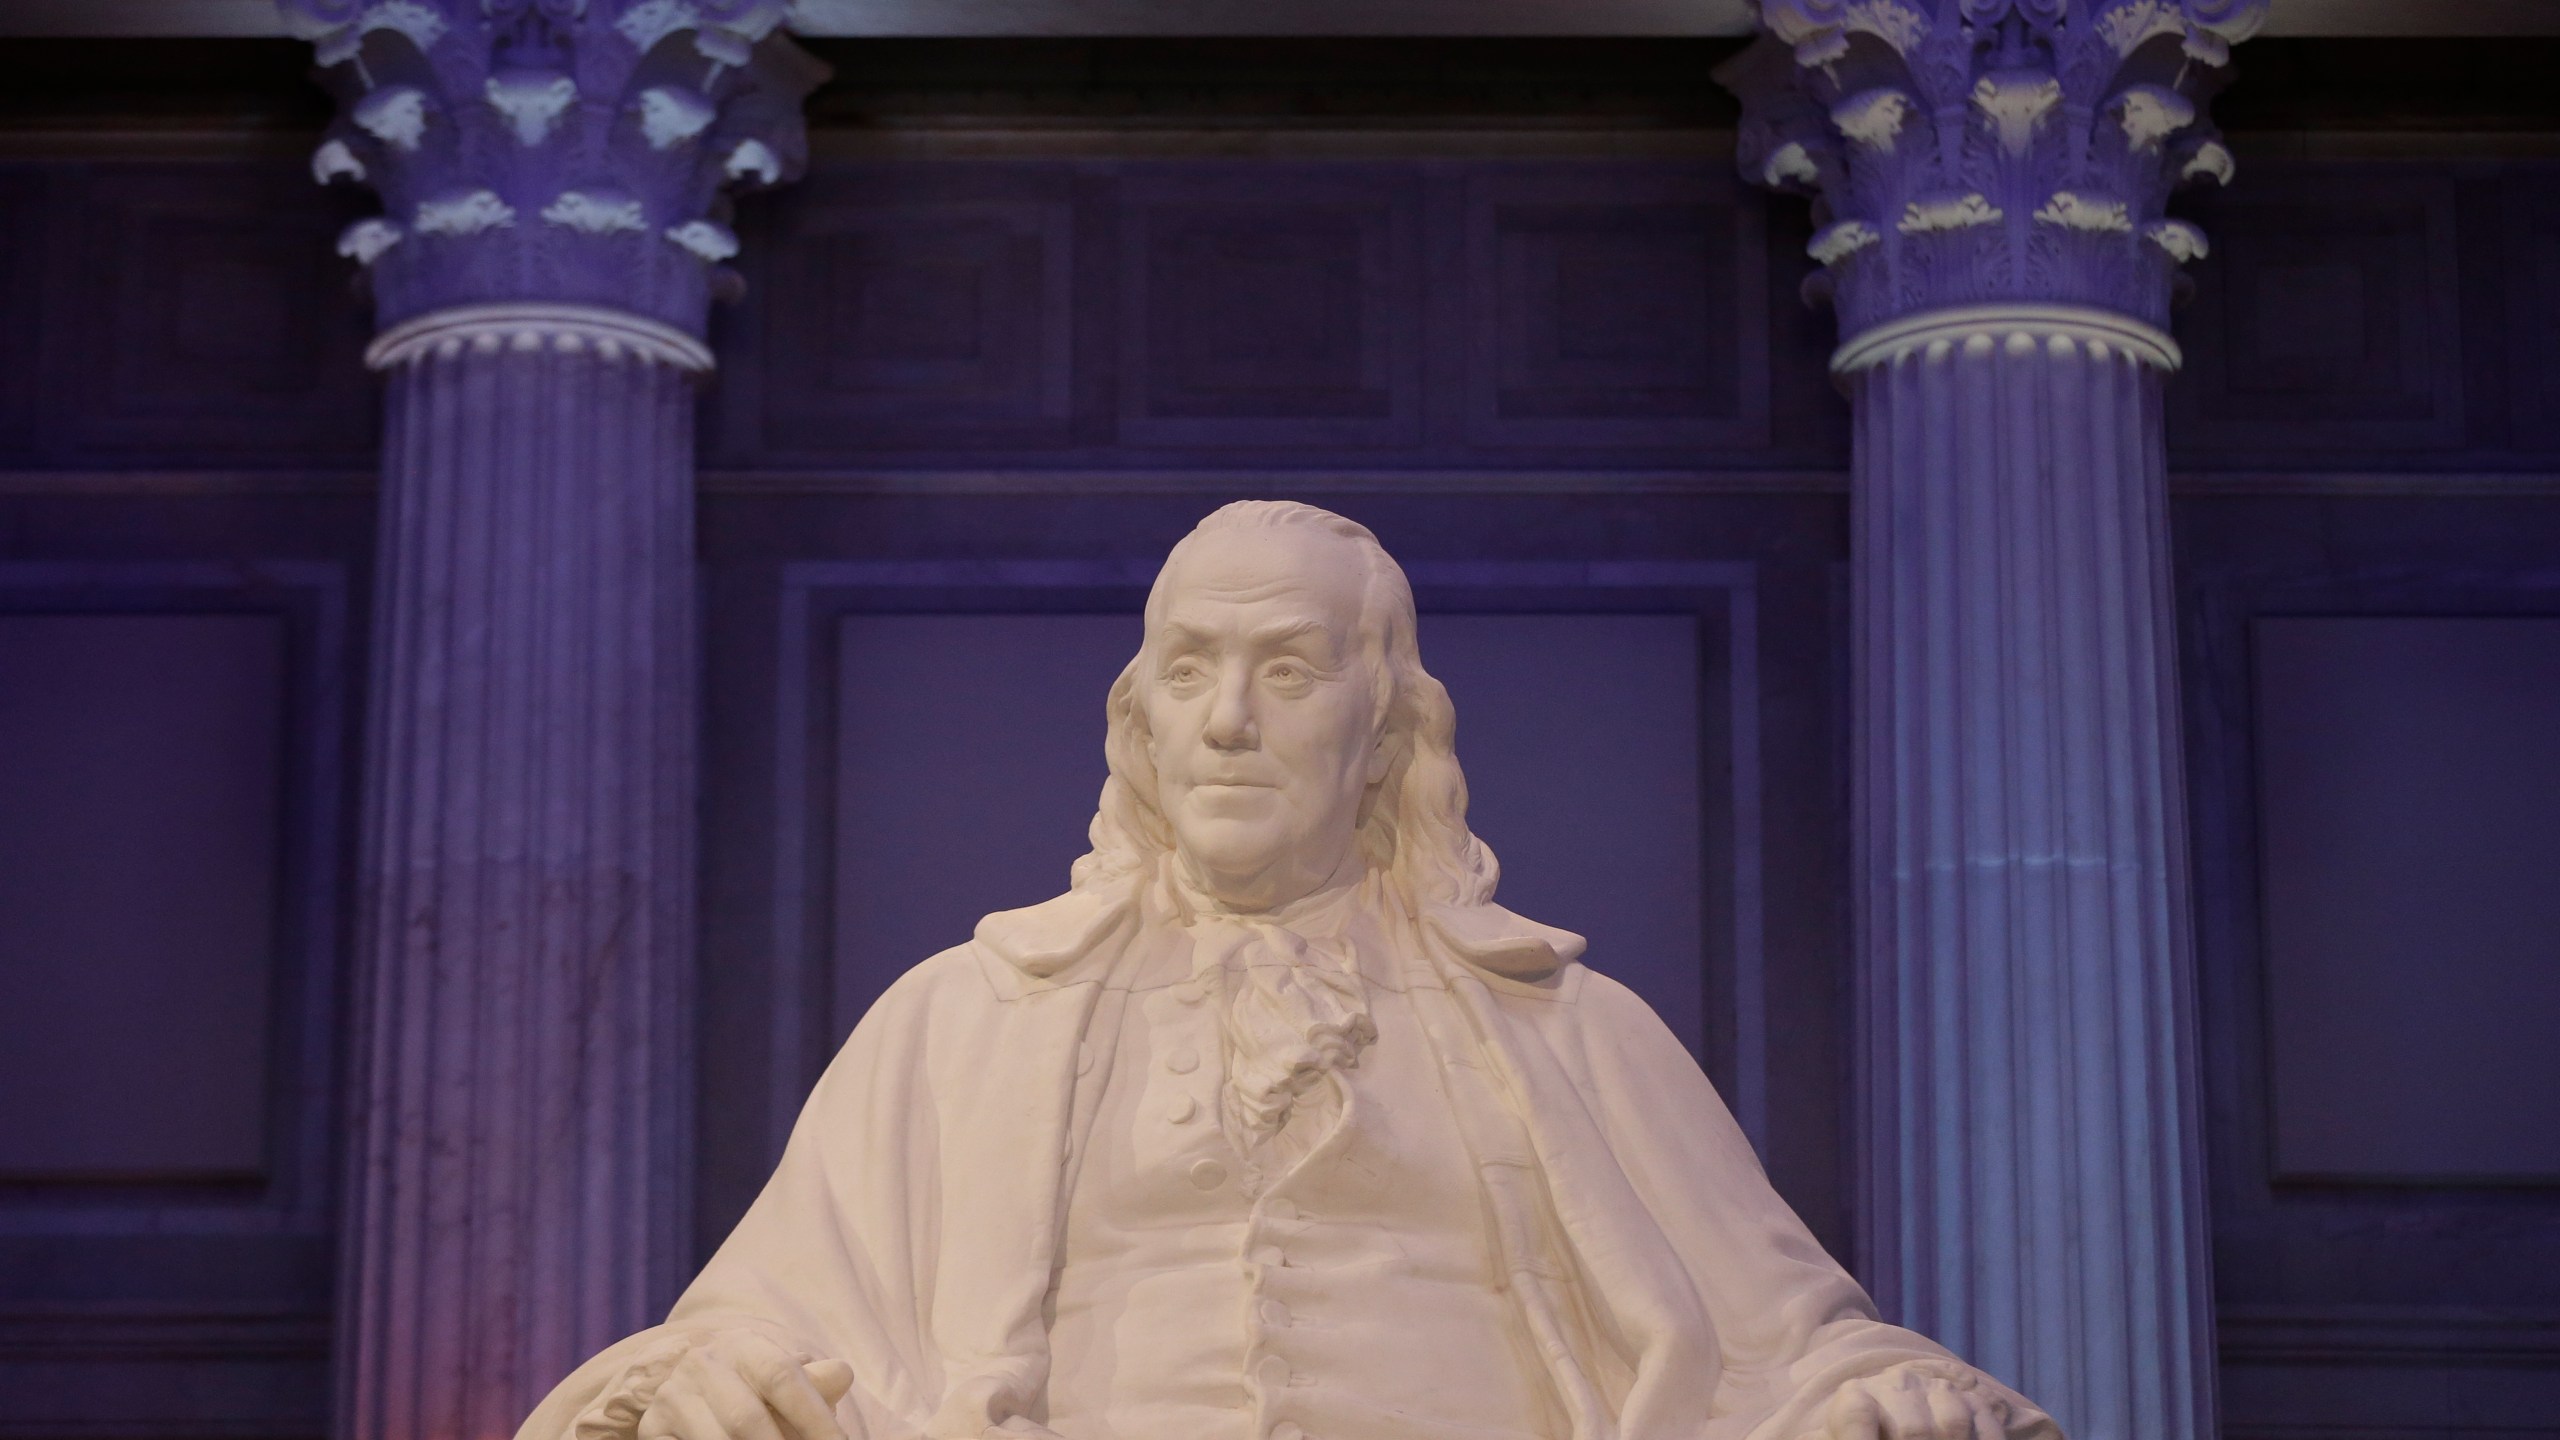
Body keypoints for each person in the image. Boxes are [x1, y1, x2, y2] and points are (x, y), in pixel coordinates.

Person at [517, 501, 2062, 1440]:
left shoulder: (1574, 1034)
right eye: (1189, 670)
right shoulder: (963, 1023)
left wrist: (1885, 1392)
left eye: (1286, 670)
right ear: (1140, 717)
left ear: (1383, 727)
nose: (1230, 721)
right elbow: (750, 1331)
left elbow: (1797, 1344)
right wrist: (705, 1382)